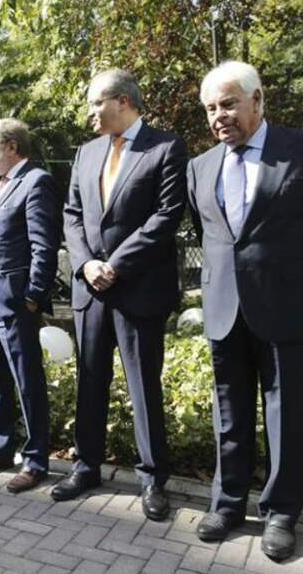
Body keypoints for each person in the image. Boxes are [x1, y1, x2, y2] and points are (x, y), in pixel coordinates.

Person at [187, 61, 303, 560]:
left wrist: (295, 275)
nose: (220, 116)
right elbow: (209, 234)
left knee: (285, 413)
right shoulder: (200, 166)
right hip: (224, 307)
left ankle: (280, 513)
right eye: (211, 108)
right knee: (228, 414)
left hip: (287, 304)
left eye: (229, 103)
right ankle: (228, 503)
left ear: (259, 100)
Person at [58, 69, 187, 521]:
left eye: (96, 103)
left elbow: (167, 215)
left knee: (143, 387)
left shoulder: (165, 148)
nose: (90, 113)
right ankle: (86, 467)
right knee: (89, 382)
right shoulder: (86, 152)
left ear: (123, 102)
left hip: (138, 290)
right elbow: (72, 215)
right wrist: (86, 264)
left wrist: (118, 263)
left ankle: (153, 480)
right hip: (92, 290)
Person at [0, 118, 60, 494]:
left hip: (15, 302)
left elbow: (44, 246)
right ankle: (0, 450)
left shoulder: (36, 182)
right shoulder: (2, 183)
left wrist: (33, 295)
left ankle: (35, 462)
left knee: (26, 382)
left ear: (13, 147)